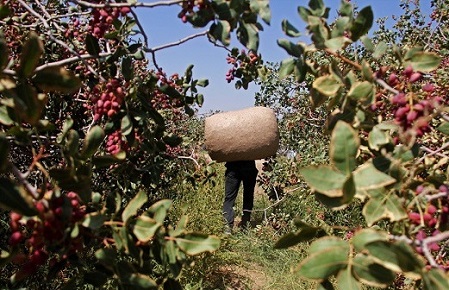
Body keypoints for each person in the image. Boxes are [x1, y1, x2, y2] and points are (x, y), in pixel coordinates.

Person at [223, 160, 258, 233]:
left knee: (229, 198)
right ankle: (245, 225)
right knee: (248, 197)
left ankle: (227, 227)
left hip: (233, 167)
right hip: (248, 167)